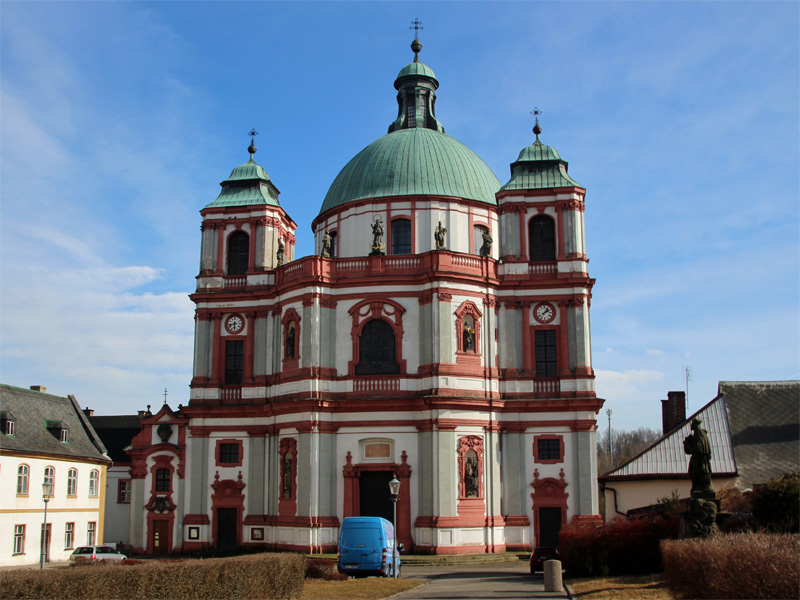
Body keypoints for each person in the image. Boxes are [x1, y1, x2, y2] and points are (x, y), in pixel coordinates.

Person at [683, 418, 712, 494]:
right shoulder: (700, 433)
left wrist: (689, 443)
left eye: (692, 424)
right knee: (693, 471)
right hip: (699, 458)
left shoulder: (699, 433)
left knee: (697, 472)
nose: (691, 426)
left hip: (700, 459)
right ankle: (699, 486)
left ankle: (701, 486)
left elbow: (697, 447)